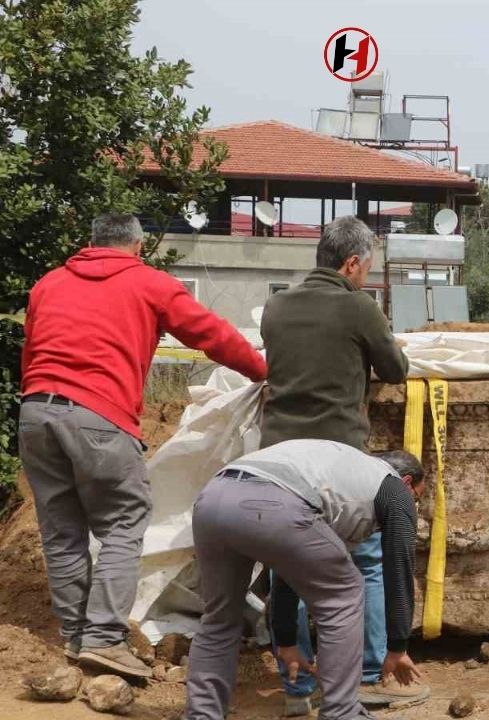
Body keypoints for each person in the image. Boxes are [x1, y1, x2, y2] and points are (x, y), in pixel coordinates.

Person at [19, 213, 266, 679]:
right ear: (137, 246)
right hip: (98, 413)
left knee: (62, 529)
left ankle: (76, 638)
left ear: (90, 243)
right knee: (123, 519)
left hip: (35, 413)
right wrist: (260, 371)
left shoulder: (49, 283)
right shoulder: (149, 282)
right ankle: (105, 638)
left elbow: (32, 351)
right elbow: (210, 334)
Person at [258, 215, 418, 713]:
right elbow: (395, 368)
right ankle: (370, 674)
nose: (367, 278)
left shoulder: (276, 306)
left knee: (290, 567)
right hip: (337, 457)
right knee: (366, 562)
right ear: (351, 264)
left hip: (277, 457)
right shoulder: (358, 308)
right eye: (366, 269)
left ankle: (297, 689)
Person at [184, 442, 426, 720]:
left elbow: (289, 566)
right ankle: (341, 713)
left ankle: (201, 715)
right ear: (407, 481)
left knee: (219, 618)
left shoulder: (341, 476)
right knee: (344, 593)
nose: (413, 507)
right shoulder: (394, 488)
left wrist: (286, 641)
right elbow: (400, 563)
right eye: (416, 499)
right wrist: (397, 646)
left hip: (214, 498)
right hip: (274, 502)